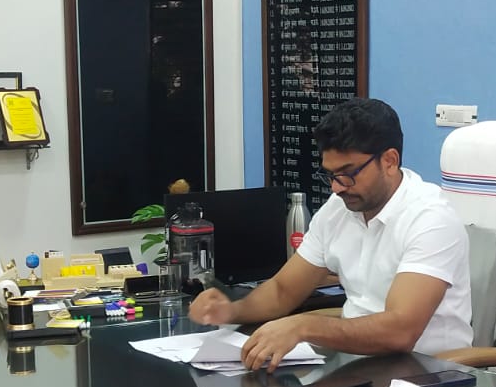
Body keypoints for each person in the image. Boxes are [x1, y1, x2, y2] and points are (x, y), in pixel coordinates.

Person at [190, 98, 471, 370]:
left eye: (348, 173)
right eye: (331, 175)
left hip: (427, 375)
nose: (337, 187)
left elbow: (400, 331)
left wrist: (304, 326)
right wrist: (231, 311)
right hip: (357, 365)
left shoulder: (430, 218)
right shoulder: (338, 209)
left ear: (389, 160)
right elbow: (282, 290)